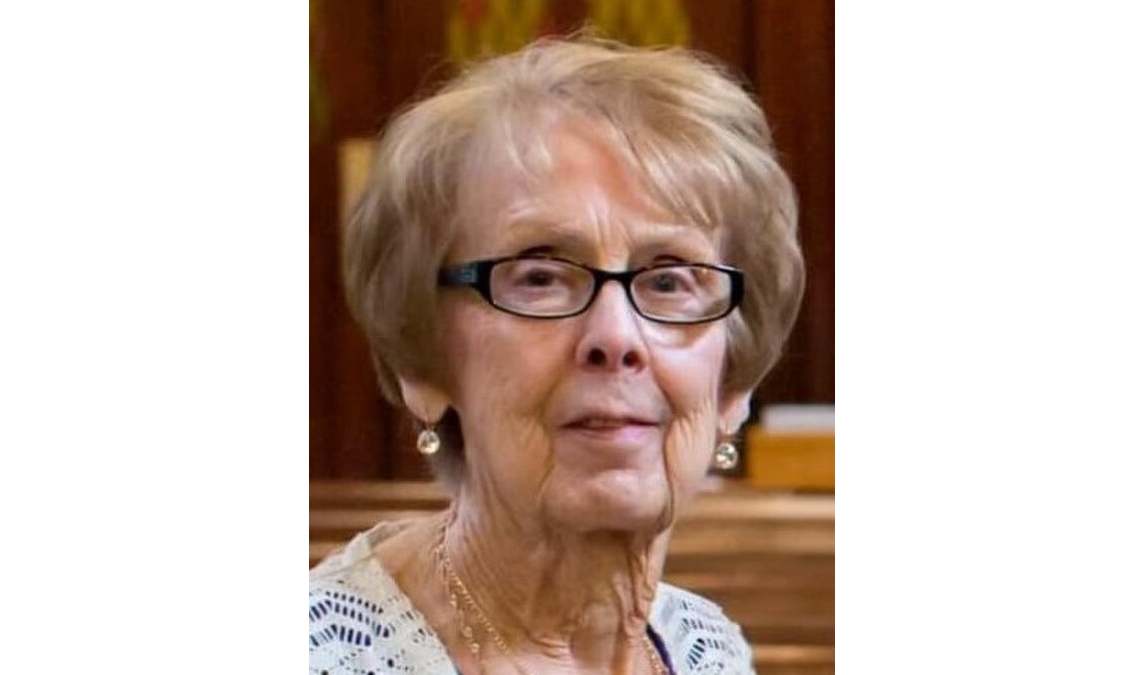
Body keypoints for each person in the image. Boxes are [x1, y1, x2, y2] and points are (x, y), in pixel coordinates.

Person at [309, 35, 804, 674]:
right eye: (540, 277)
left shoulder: (708, 650)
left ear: (732, 384)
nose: (617, 337)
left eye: (668, 280)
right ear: (423, 357)